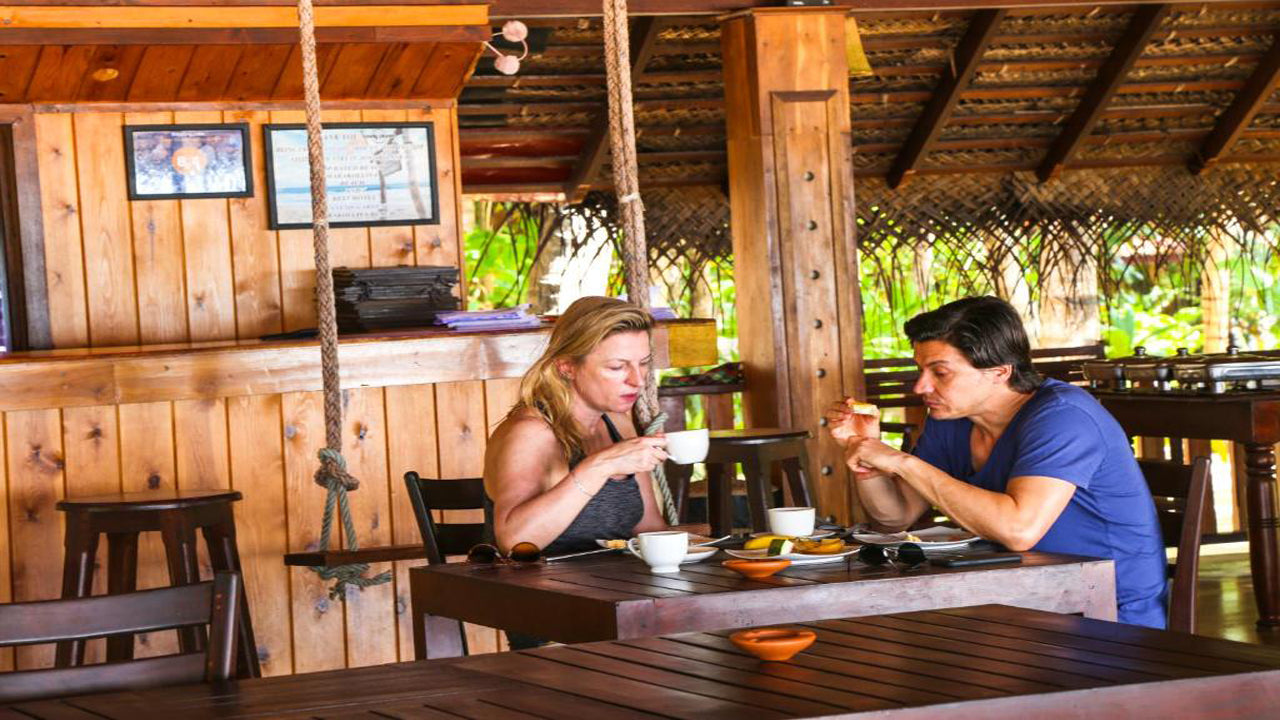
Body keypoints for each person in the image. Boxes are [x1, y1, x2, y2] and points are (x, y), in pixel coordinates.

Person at [828, 296, 1167, 628]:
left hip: (1106, 615)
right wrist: (866, 451)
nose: (921, 386)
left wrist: (903, 463)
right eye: (920, 370)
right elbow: (895, 516)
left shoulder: (1064, 417)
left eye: (940, 372)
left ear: (999, 372)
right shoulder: (951, 419)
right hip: (1016, 599)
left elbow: (1018, 531)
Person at [484, 296, 670, 559]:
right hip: (541, 594)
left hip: (618, 588)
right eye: (617, 367)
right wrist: (600, 466)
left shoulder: (618, 423)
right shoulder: (531, 432)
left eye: (644, 363)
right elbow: (515, 543)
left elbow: (648, 527)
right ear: (567, 366)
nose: (637, 380)